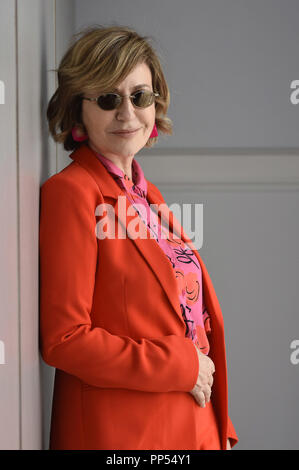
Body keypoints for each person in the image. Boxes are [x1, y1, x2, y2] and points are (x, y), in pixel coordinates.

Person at [39, 24, 238, 450]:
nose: (127, 113)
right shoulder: (71, 194)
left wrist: (214, 426)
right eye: (108, 100)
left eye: (140, 96)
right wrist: (182, 366)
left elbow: (186, 317)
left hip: (193, 427)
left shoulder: (147, 196)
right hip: (126, 437)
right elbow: (65, 340)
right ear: (79, 111)